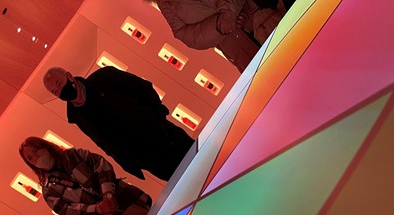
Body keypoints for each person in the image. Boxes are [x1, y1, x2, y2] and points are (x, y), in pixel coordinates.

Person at [42, 66, 194, 181]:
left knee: (206, 163)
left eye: (59, 84)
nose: (60, 91)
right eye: (55, 92)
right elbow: (102, 142)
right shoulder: (77, 116)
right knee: (187, 186)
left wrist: (158, 118)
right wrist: (130, 163)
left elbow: (142, 88)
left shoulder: (103, 78)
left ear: (69, 76)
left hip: (166, 137)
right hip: (149, 160)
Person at [19, 136, 152, 215]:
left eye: (36, 151)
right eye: (30, 158)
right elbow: (67, 210)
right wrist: (97, 209)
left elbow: (101, 165)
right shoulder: (49, 190)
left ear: (45, 146)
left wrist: (108, 195)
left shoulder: (74, 155)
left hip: (128, 200)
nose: (36, 158)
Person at [152, 0, 286, 73]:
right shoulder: (165, 4)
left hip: (259, 20)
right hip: (238, 49)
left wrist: (229, 11)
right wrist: (219, 26)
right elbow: (185, 35)